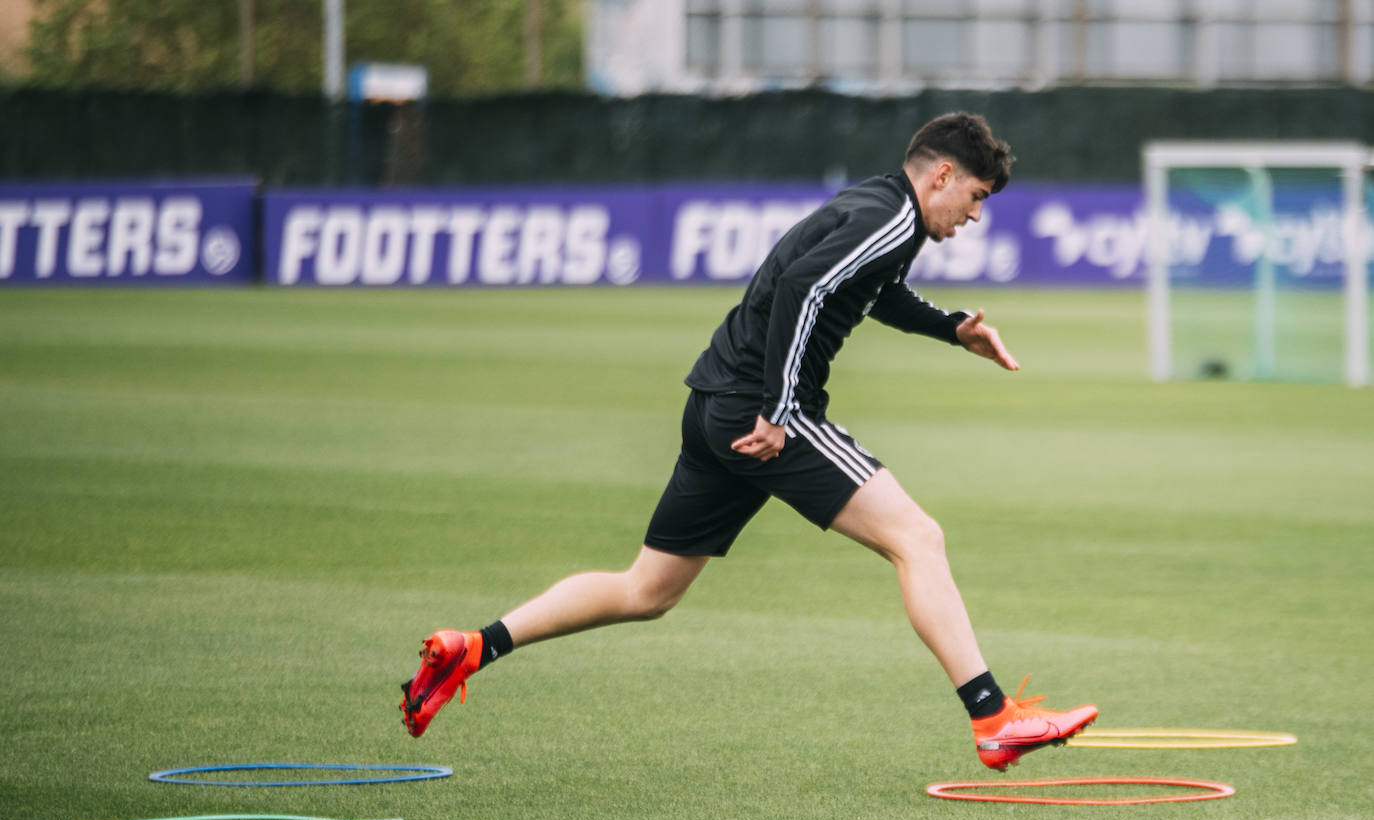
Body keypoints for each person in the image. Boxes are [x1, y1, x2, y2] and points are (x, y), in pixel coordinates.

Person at [400, 111, 1097, 770]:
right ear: (941, 174)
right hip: (758, 414)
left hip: (713, 405)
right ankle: (991, 716)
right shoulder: (892, 218)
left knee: (647, 589)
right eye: (975, 196)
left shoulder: (880, 209)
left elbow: (870, 290)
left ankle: (474, 647)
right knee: (918, 538)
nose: (974, 215)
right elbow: (802, 286)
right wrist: (781, 408)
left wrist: (951, 328)